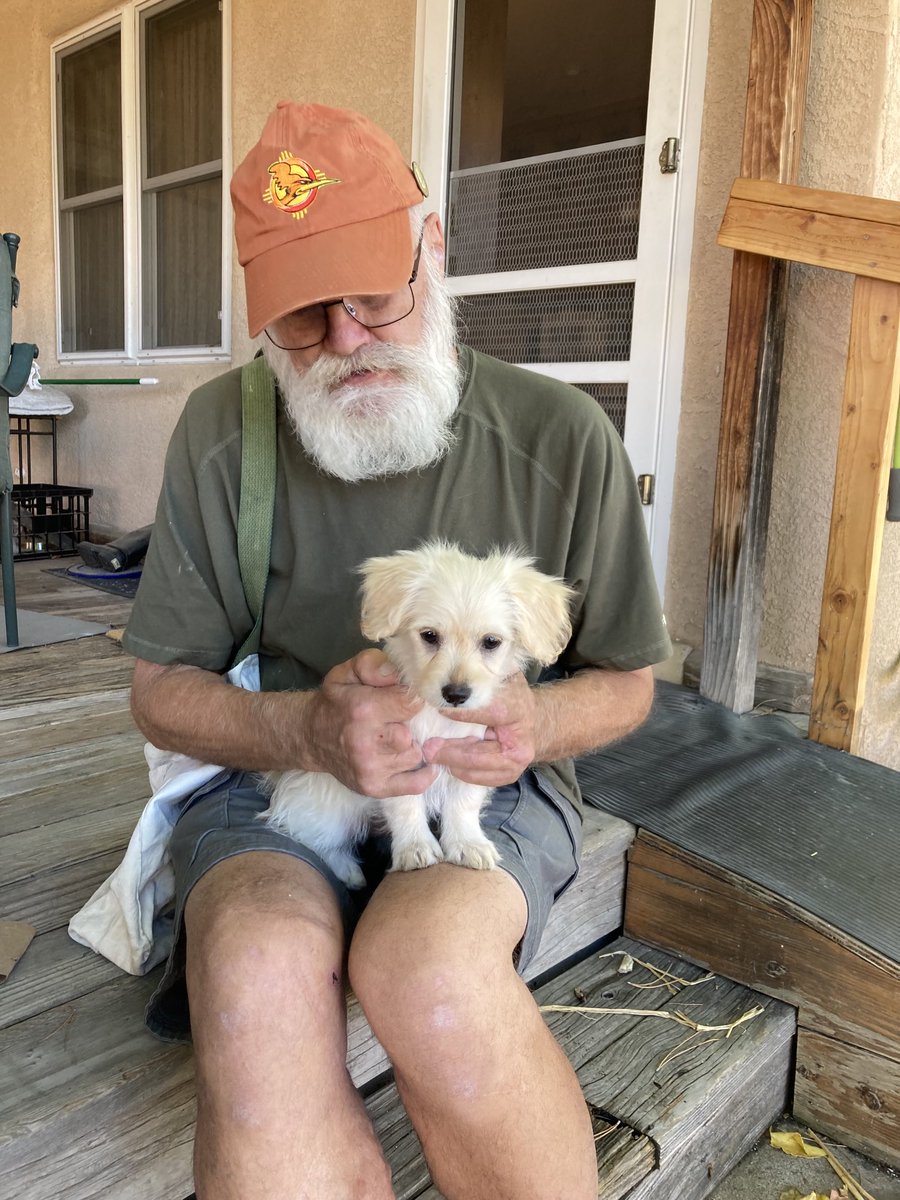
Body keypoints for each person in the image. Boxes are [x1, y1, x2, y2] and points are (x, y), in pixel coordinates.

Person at [123, 101, 672, 1200]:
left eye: (374, 295)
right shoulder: (225, 434)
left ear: (435, 248)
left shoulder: (564, 435)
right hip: (285, 777)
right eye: (301, 315)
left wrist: (534, 722)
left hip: (485, 780)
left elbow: (629, 682)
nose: (346, 342)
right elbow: (159, 694)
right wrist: (302, 728)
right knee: (253, 980)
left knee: (429, 979)